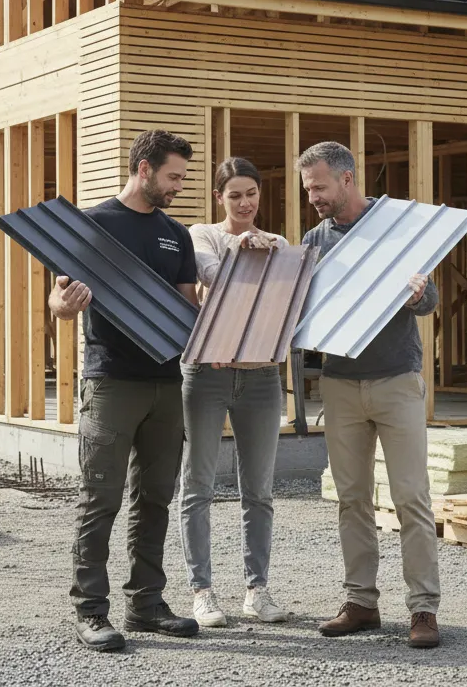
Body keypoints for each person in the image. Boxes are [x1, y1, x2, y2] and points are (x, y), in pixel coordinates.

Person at [49, 129, 200, 653]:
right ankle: (91, 611)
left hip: (166, 382)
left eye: (181, 177)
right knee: (101, 498)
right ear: (143, 169)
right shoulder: (91, 225)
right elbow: (60, 295)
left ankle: (146, 602)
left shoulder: (175, 235)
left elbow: (186, 311)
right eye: (173, 176)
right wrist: (63, 308)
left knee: (155, 496)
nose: (178, 186)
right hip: (111, 380)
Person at [297, 141, 442, 649]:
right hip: (339, 385)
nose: (312, 196)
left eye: (319, 186)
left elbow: (431, 301)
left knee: (411, 498)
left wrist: (421, 292)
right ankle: (361, 602)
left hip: (397, 381)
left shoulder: (395, 228)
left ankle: (423, 609)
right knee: (351, 499)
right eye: (307, 188)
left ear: (347, 178)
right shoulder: (314, 239)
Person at [181, 157, 289, 629]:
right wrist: (242, 250)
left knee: (259, 491)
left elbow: (290, 297)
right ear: (218, 198)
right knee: (198, 486)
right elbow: (207, 274)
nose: (244, 203)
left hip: (262, 377)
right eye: (234, 195)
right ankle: (202, 592)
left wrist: (271, 254)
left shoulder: (279, 243)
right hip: (207, 373)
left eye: (251, 193)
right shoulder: (202, 235)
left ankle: (257, 590)